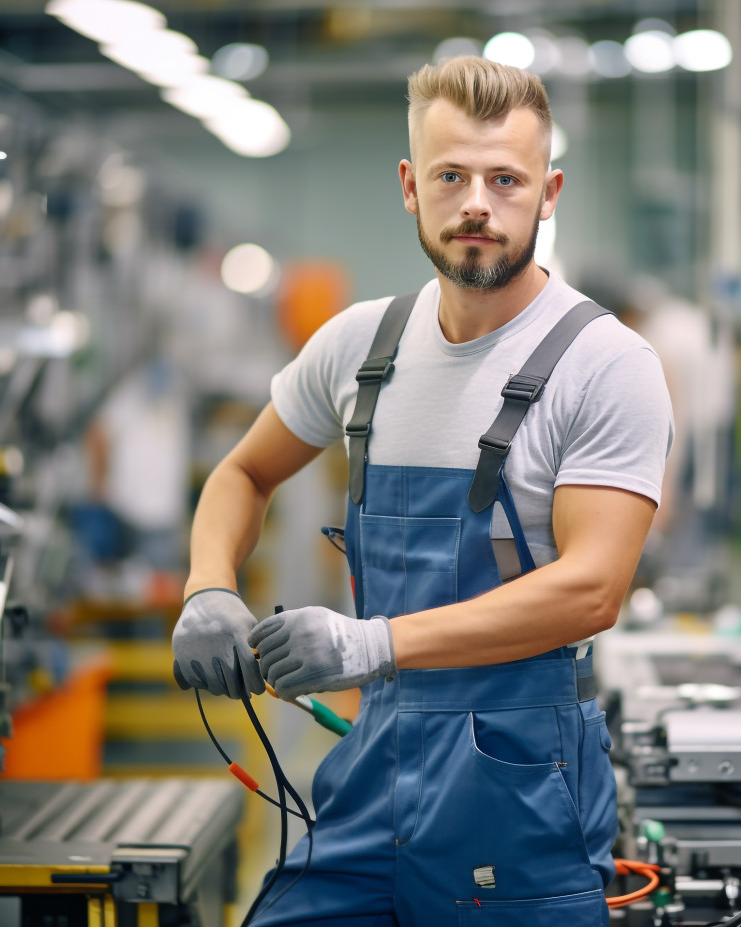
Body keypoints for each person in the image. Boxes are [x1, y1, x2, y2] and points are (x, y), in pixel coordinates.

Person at [172, 56, 674, 927]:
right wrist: (208, 586)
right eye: (452, 175)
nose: (477, 201)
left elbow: (594, 588)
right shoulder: (361, 347)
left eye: (505, 179)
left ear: (548, 193)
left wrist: (376, 643)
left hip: (519, 795)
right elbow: (242, 473)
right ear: (411, 186)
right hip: (372, 778)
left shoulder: (605, 365)